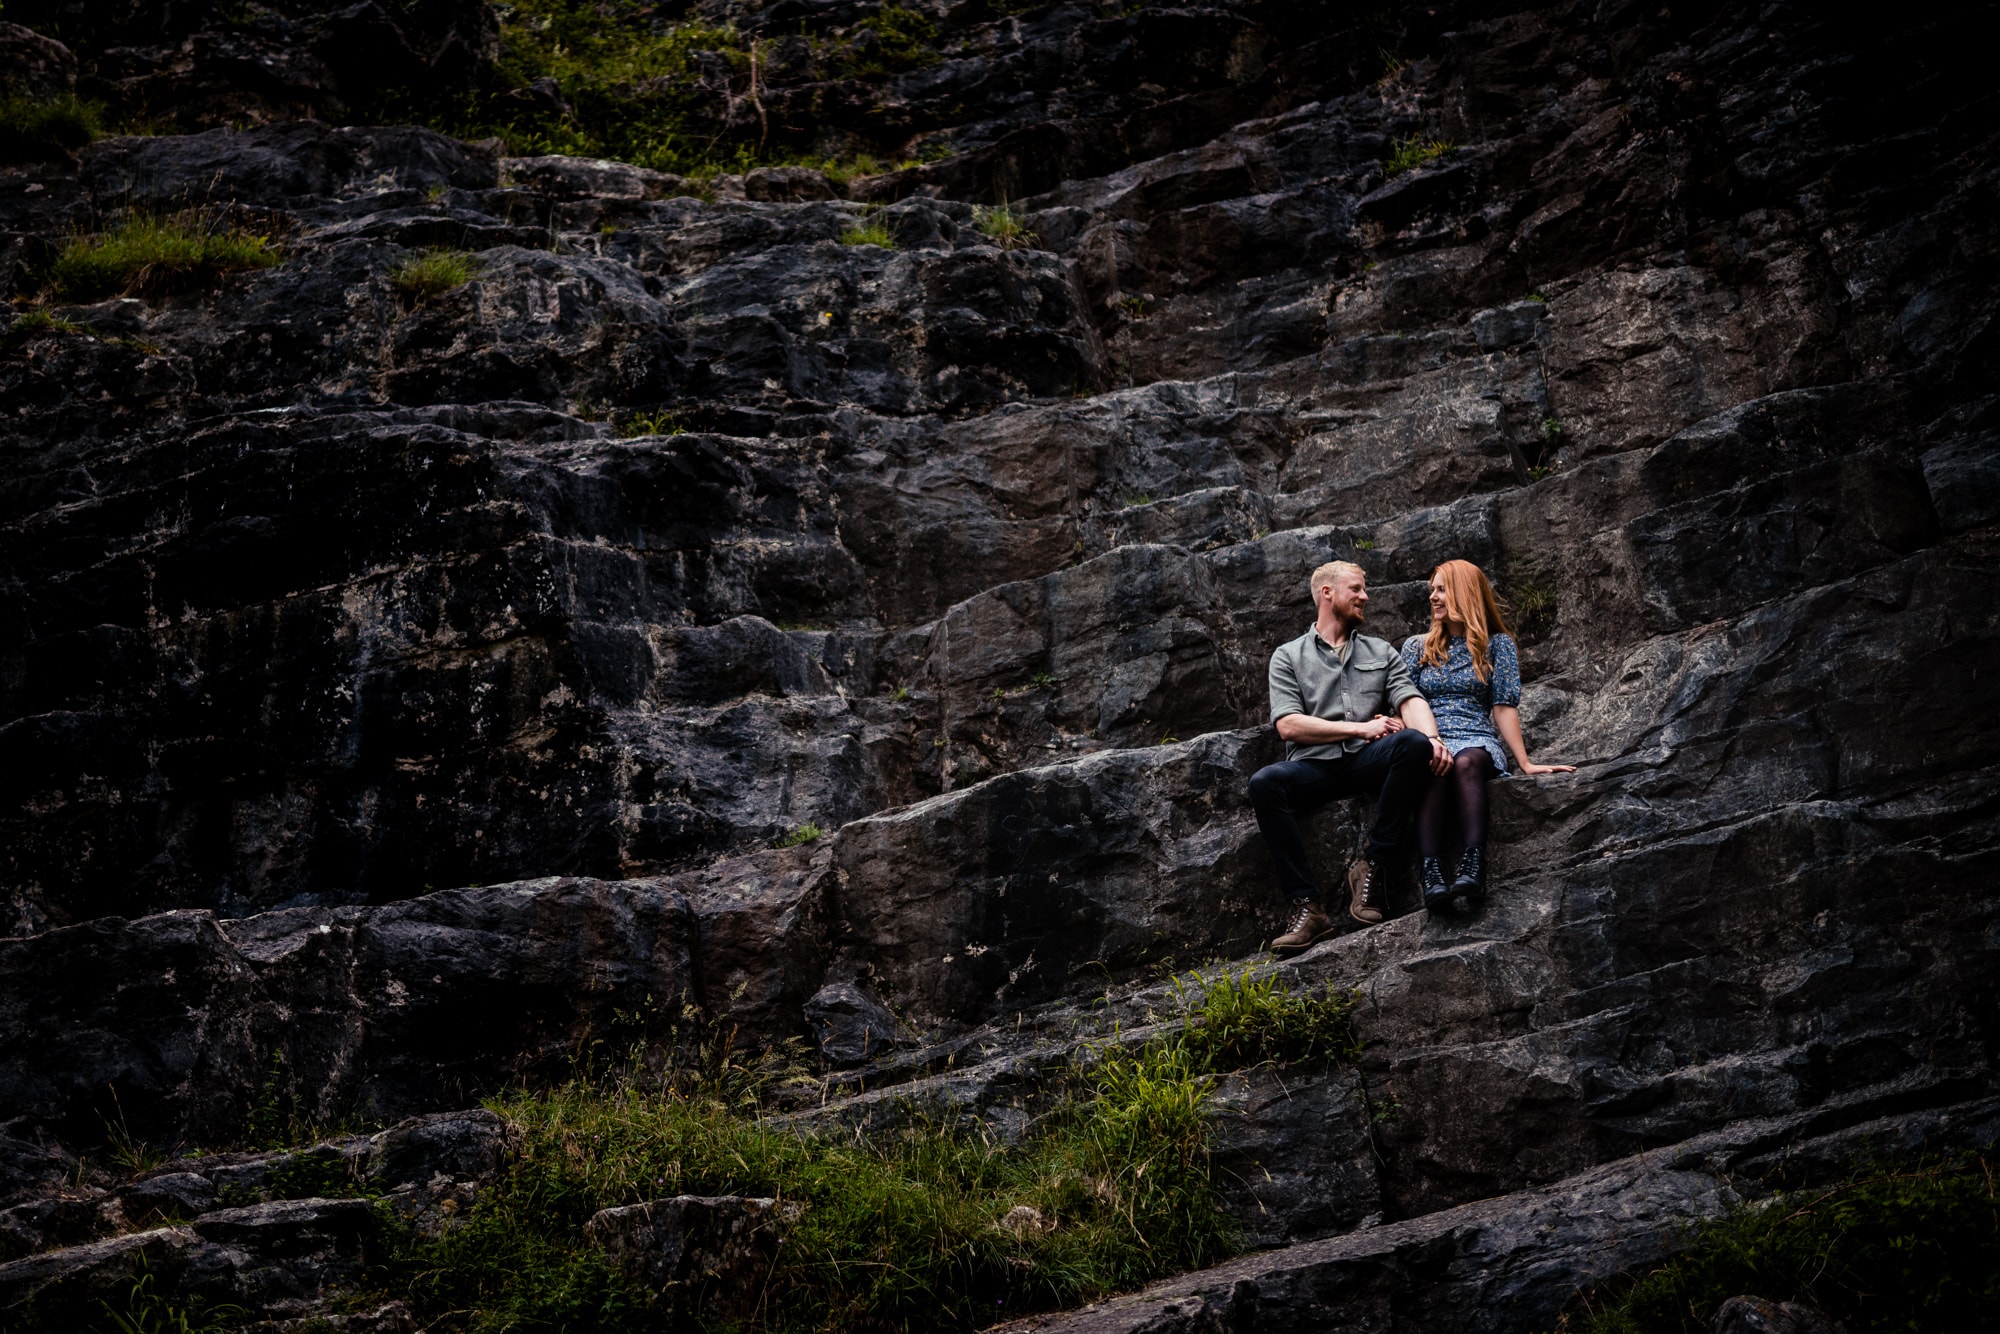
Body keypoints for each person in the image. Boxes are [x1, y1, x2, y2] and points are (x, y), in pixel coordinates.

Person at [1250, 560, 1451, 953]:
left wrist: (1432, 738)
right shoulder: (1287, 656)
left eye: (1364, 589)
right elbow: (1289, 725)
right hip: (1313, 767)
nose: (1365, 596)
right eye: (1356, 589)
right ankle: (1307, 907)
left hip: (1367, 761)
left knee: (1413, 745)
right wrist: (1360, 728)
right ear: (1328, 594)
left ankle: (1373, 866)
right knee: (1264, 784)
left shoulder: (1380, 650)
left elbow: (1409, 698)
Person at [1399, 559, 1575, 915]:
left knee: (1466, 762)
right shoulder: (1417, 648)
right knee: (1434, 763)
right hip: (1427, 735)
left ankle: (1473, 865)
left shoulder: (1498, 646)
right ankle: (1431, 873)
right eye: (1431, 589)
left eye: (1441, 588)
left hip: (1476, 736)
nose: (1433, 596)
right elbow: (1404, 700)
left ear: (1464, 592)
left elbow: (1503, 706)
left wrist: (1525, 762)